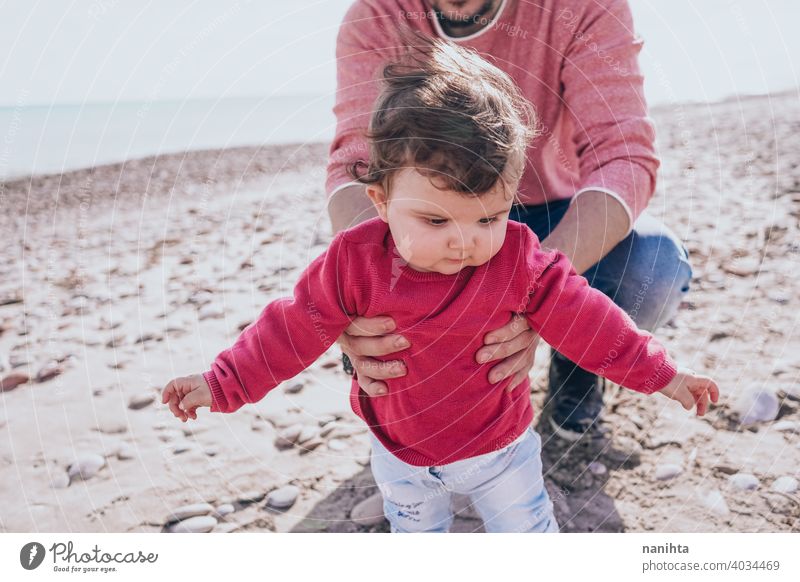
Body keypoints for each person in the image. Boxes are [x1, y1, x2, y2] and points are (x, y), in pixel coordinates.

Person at [160, 36, 719, 533]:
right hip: (400, 456)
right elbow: (290, 326)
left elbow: (592, 321)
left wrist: (664, 375)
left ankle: (572, 413)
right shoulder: (354, 263)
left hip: (502, 453)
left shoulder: (521, 260)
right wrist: (222, 383)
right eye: (435, 221)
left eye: (488, 218)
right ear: (381, 201)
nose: (465, 242)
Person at [327, 0, 693, 442]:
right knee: (387, 286)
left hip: (554, 208)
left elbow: (622, 154)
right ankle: (417, 416)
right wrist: (363, 285)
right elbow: (355, 164)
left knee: (653, 266)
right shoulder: (377, 15)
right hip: (428, 212)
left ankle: (573, 384)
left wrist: (536, 291)